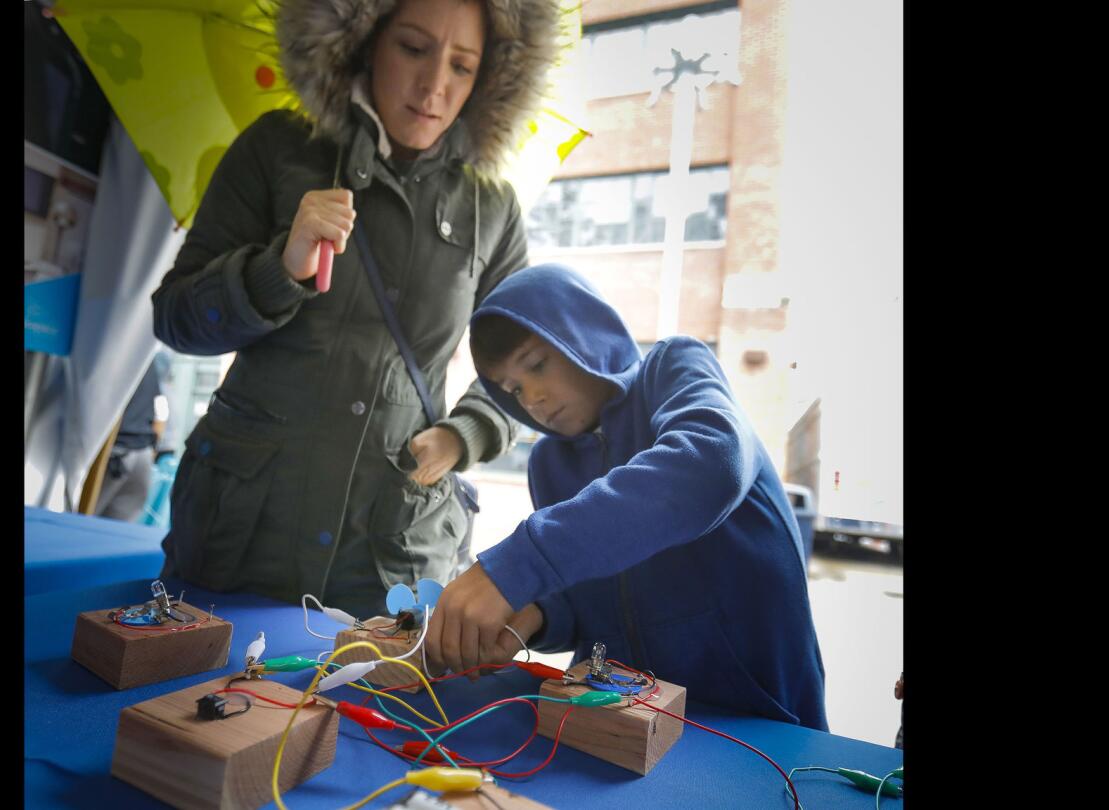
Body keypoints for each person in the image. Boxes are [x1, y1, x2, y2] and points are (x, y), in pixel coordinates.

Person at [150, 0, 562, 619]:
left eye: (463, 65)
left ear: (490, 79)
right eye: (414, 49)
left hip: (390, 550)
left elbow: (526, 371)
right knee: (187, 707)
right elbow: (175, 317)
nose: (434, 86)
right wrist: (279, 268)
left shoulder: (492, 208)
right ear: (366, 41)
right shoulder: (277, 147)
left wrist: (462, 434)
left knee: (360, 714)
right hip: (238, 529)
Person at [424, 263, 829, 731]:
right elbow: (590, 599)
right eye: (512, 388)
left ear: (582, 331)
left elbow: (710, 467)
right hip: (623, 721)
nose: (531, 396)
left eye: (536, 365)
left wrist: (521, 561)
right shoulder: (549, 465)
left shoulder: (672, 368)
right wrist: (534, 615)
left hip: (755, 721)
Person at [95, 355, 169, 522]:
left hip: (113, 454)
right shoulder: (147, 361)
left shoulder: (109, 355)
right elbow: (162, 414)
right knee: (115, 532)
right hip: (141, 455)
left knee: (80, 525)